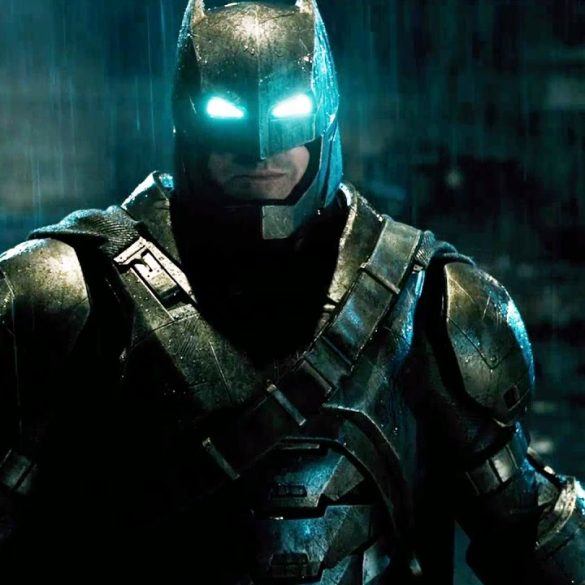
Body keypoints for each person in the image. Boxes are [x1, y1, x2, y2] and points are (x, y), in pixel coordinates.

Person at [0, 0, 583, 583]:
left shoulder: (426, 300)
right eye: (229, 116)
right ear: (190, 123)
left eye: (286, 113)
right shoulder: (66, 295)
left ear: (322, 116)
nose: (260, 150)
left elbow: (531, 530)